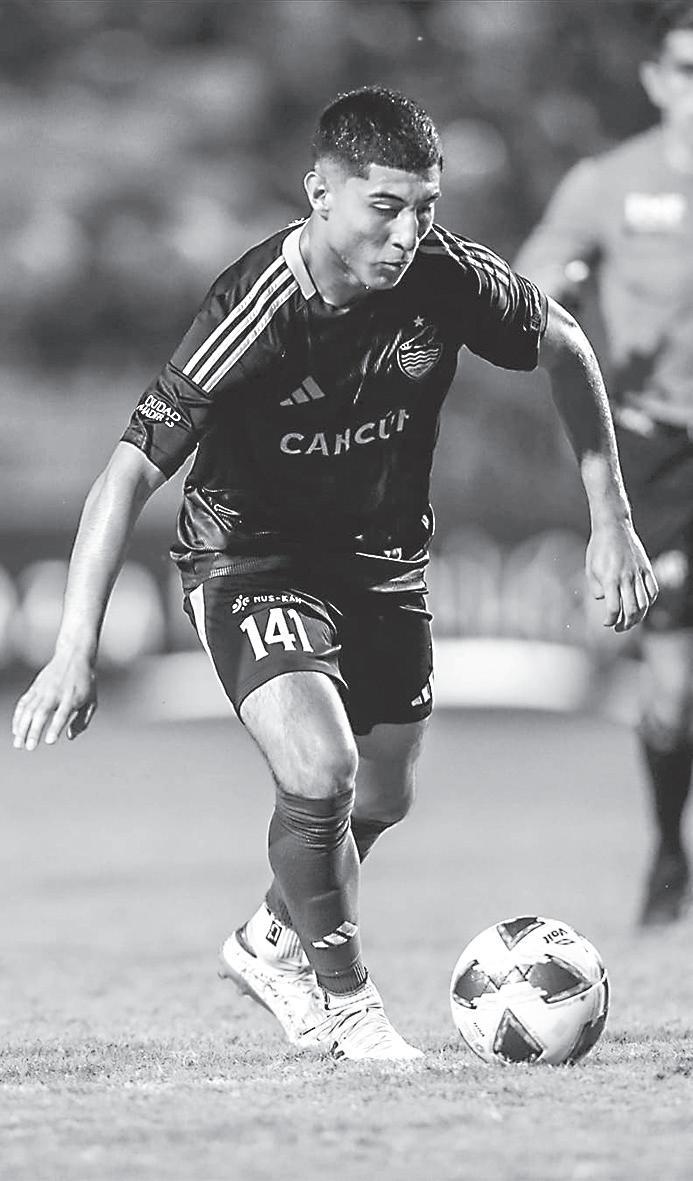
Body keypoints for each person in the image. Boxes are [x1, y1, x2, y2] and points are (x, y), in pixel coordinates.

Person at [12, 86, 657, 1060]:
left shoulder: (446, 276)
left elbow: (564, 344)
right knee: (321, 767)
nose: (406, 233)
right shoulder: (256, 307)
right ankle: (347, 1005)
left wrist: (610, 516)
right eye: (384, 207)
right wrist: (73, 649)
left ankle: (270, 938)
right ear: (321, 193)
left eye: (425, 207)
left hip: (382, 560)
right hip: (249, 557)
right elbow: (127, 471)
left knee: (382, 796)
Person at [514, 1, 693, 927]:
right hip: (658, 453)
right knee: (673, 691)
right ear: (657, 80)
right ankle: (668, 846)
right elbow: (525, 289)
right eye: (689, 70)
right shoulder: (607, 185)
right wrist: (561, 286)